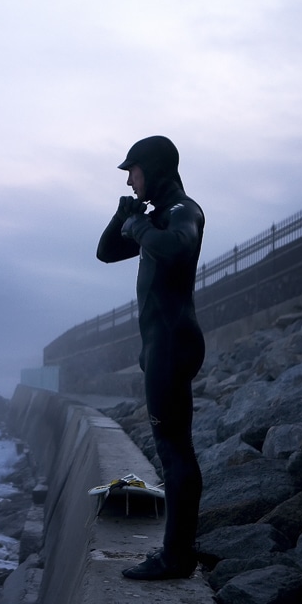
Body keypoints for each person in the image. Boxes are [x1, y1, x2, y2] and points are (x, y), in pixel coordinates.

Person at [97, 135, 206, 581]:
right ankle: (178, 553)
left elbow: (178, 246)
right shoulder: (158, 217)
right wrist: (124, 216)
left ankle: (176, 558)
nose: (129, 177)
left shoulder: (184, 212)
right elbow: (105, 252)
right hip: (160, 347)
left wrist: (140, 228)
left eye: (133, 169)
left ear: (154, 169)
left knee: (175, 451)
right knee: (174, 449)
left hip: (173, 345)